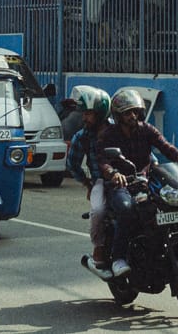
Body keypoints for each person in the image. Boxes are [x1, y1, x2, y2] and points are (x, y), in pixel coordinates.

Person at [95, 87, 178, 278]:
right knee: (126, 209)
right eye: (127, 113)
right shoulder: (109, 133)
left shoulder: (146, 129)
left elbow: (165, 146)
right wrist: (113, 173)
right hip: (120, 184)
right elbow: (102, 159)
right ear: (119, 115)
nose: (132, 116)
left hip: (144, 180)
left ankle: (170, 248)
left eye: (135, 111)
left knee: (167, 204)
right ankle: (119, 258)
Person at [66, 85, 113, 277]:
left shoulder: (118, 130)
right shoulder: (82, 137)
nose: (84, 118)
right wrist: (87, 183)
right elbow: (73, 165)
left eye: (89, 114)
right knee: (99, 211)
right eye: (84, 113)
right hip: (100, 182)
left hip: (128, 178)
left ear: (100, 114)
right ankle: (99, 250)